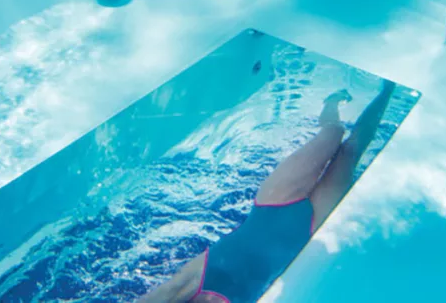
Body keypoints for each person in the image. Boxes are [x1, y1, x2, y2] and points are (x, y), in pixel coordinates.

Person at [137, 80, 396, 303]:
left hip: (274, 204)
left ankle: (331, 103)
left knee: (333, 133)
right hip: (310, 227)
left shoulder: (185, 285)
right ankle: (388, 91)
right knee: (351, 151)